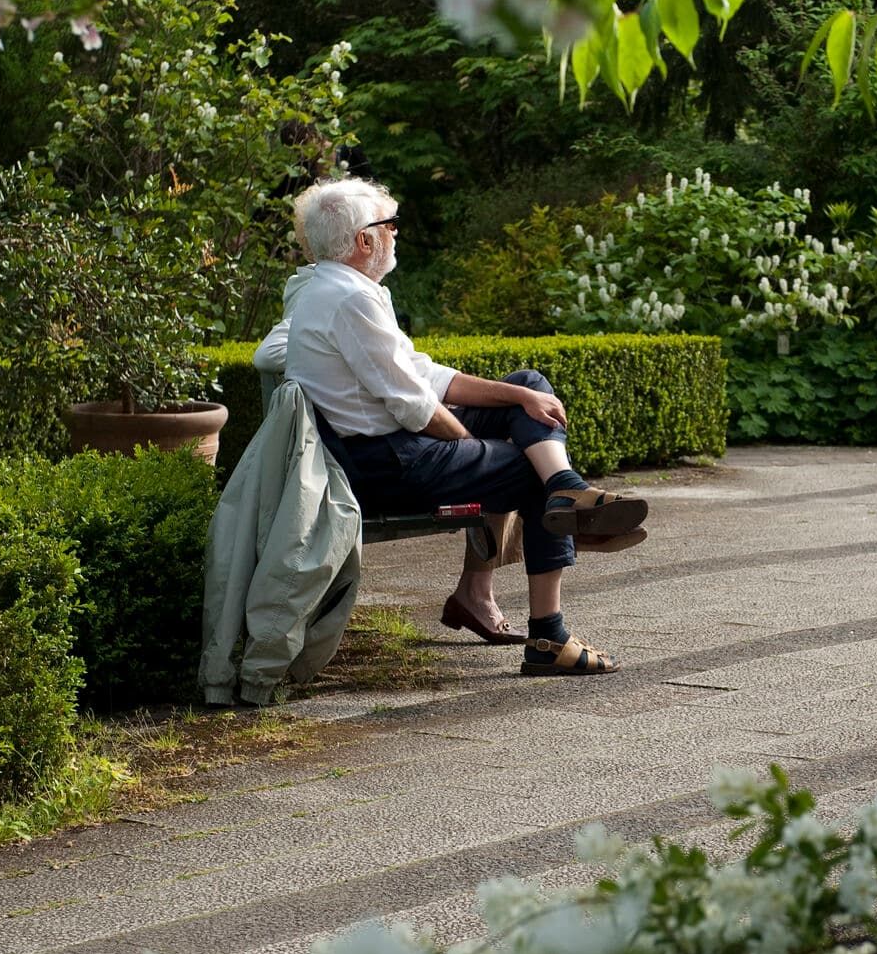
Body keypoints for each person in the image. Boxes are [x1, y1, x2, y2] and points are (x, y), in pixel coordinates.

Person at [252, 176, 644, 676]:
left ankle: (566, 491)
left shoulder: (331, 286)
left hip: (380, 448)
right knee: (528, 472)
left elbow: (423, 373)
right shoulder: (352, 300)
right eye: (388, 225)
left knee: (529, 388)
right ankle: (549, 638)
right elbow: (417, 409)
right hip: (388, 464)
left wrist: (519, 395)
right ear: (363, 240)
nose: (396, 233)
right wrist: (479, 443)